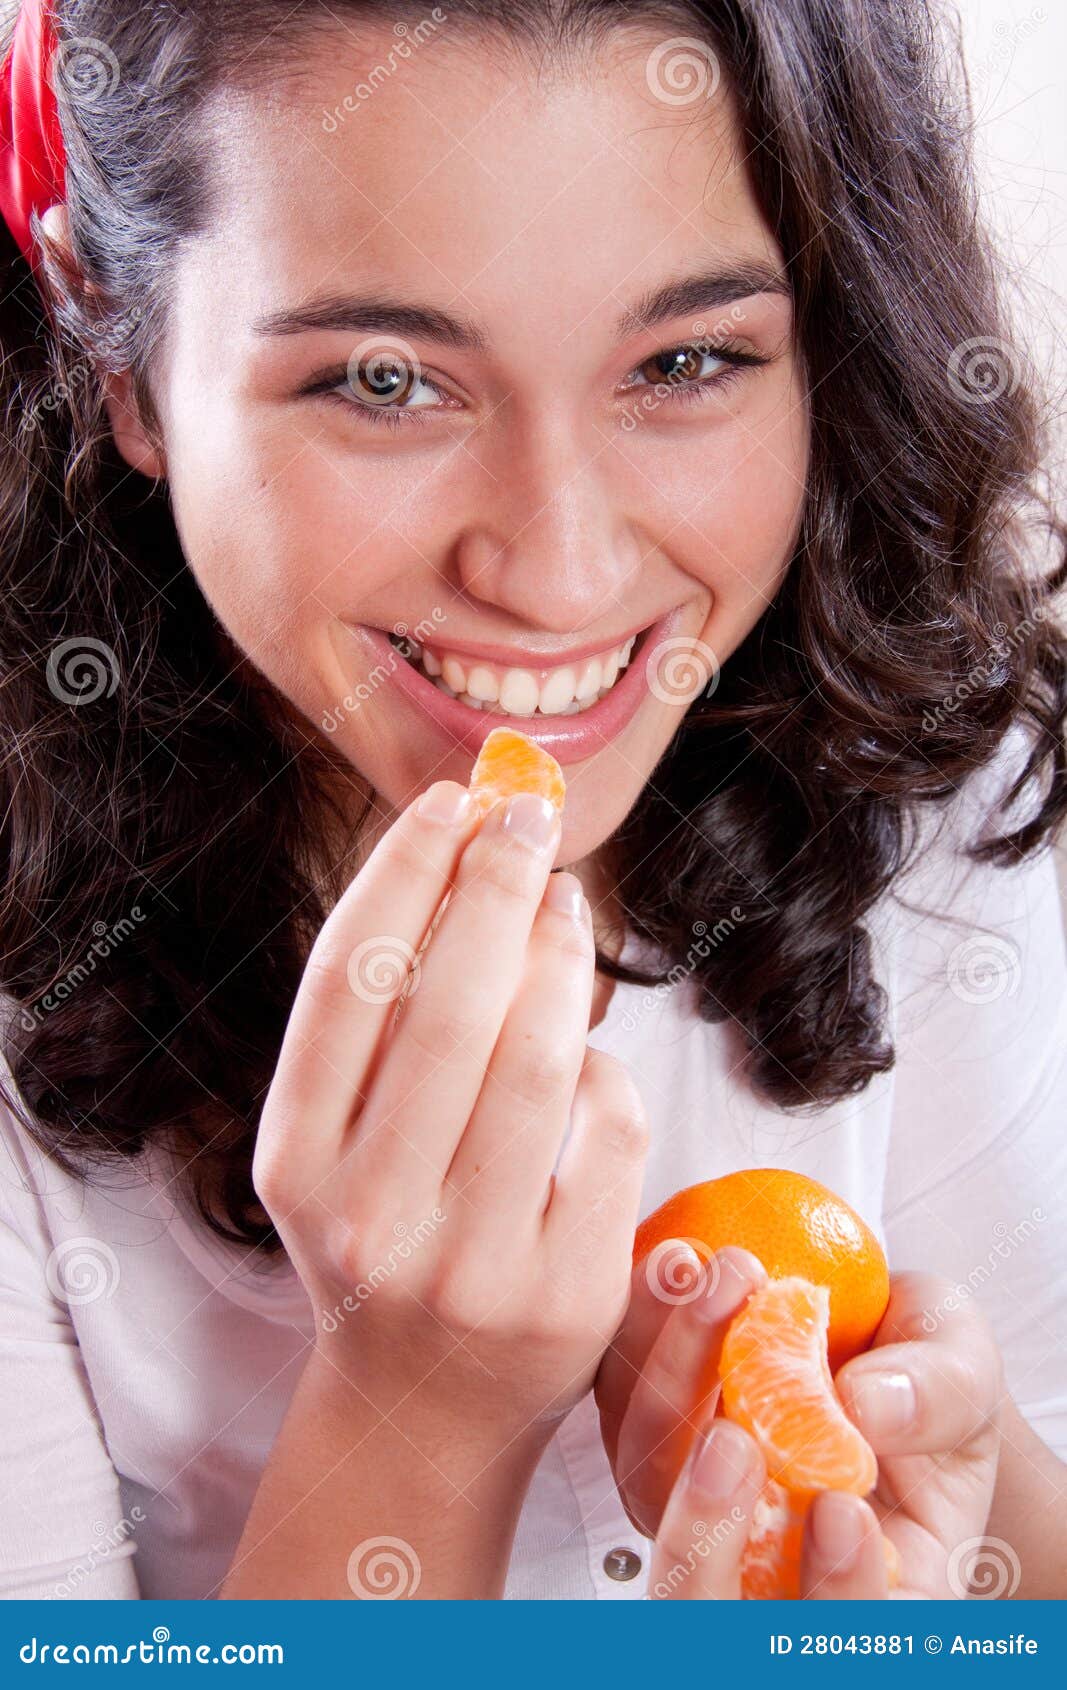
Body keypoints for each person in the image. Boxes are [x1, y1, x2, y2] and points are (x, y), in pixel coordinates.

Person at [0, 0, 1064, 1601]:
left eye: (686, 362)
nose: (560, 572)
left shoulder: (918, 779)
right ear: (117, 349)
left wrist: (945, 1512)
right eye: (384, 381)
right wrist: (419, 1413)